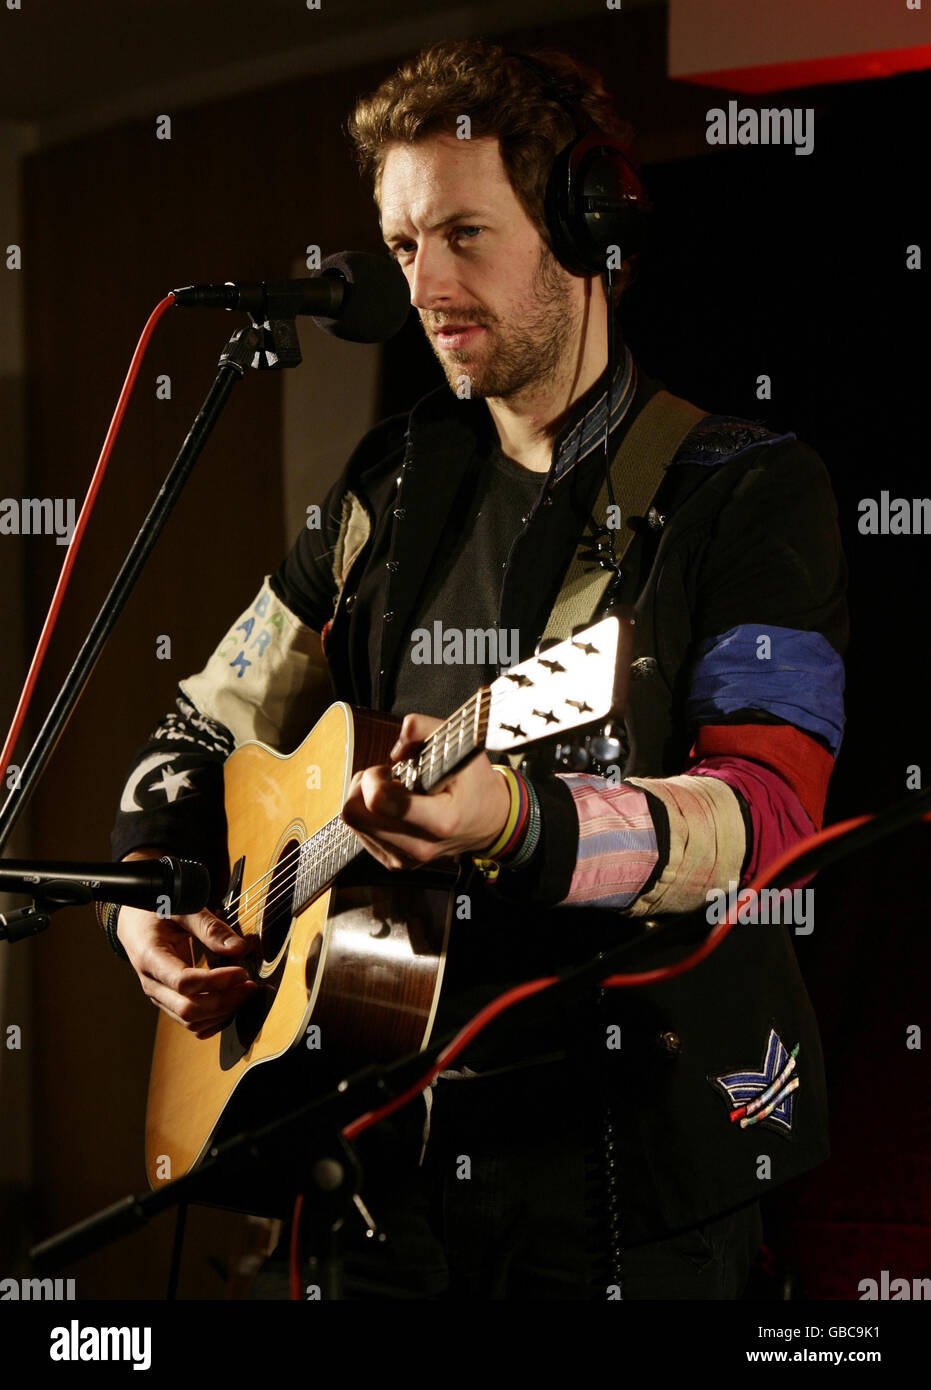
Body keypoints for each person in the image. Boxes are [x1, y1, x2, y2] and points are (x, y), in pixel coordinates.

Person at [103, 39, 848, 1299]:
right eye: (402, 245)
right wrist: (145, 897)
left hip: (638, 1170)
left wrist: (514, 814)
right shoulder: (386, 488)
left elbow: (766, 821)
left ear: (583, 221)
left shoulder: (747, 489)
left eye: (463, 233)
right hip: (381, 1157)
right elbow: (205, 720)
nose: (427, 284)